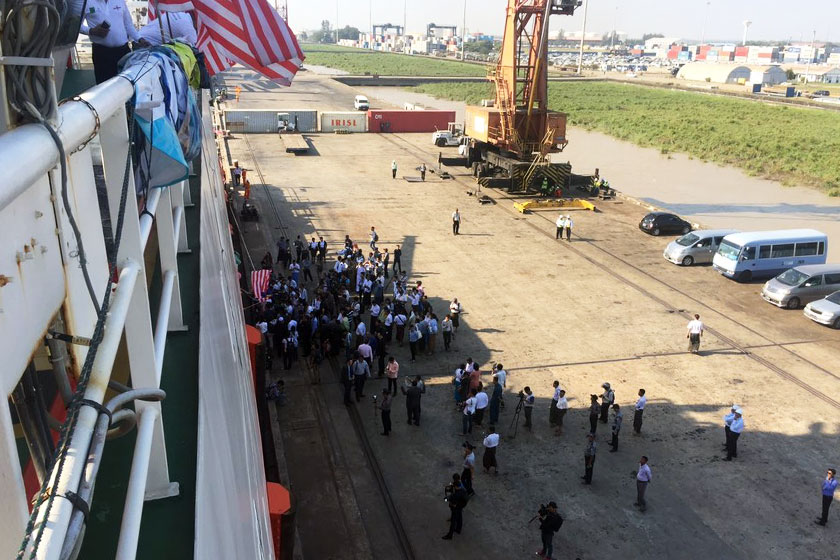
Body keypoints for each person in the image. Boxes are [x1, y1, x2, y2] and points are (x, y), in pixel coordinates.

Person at [80, 0, 141, 84]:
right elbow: (76, 25)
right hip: (102, 53)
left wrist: (140, 39)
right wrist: (91, 31)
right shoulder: (86, 2)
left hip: (123, 52)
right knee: (104, 86)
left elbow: (128, 24)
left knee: (128, 84)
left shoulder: (120, 1)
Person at [442, 473, 467, 540]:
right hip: (460, 507)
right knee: (460, 518)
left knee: (453, 522)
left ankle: (450, 535)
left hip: (455, 508)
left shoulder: (455, 495)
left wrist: (445, 499)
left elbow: (447, 499)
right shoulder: (463, 490)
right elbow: (452, 484)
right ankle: (458, 530)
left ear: (456, 487)